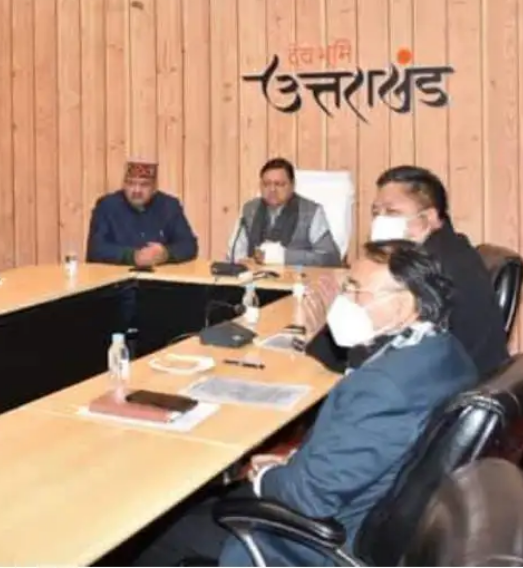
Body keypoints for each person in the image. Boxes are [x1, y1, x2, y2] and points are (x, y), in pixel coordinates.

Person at [135, 241, 478, 566]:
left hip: (314, 544)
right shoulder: (446, 353)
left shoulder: (385, 387)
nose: (344, 300)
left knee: (153, 533)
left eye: (355, 290)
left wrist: (266, 475)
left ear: (403, 306)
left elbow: (310, 497)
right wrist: (295, 460)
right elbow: (362, 451)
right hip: (361, 508)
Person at [304, 165, 509, 378]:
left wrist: (323, 330)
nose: (379, 220)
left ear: (428, 218)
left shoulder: (430, 271)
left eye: (392, 212)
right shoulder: (449, 248)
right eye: (375, 213)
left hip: (447, 389)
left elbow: (378, 356)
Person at [227, 158, 341, 267]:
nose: (272, 189)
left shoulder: (311, 212)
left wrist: (284, 257)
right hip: (255, 278)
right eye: (266, 184)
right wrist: (241, 261)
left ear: (292, 185)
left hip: (298, 278)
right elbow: (235, 253)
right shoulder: (250, 209)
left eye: (279, 184)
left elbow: (331, 258)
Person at [86, 159, 198, 267]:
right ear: (123, 184)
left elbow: (189, 245)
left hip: (159, 277)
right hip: (117, 278)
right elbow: (95, 249)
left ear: (154, 188)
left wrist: (166, 254)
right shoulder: (107, 206)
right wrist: (132, 256)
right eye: (131, 183)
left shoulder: (169, 206)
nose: (136, 190)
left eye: (144, 185)